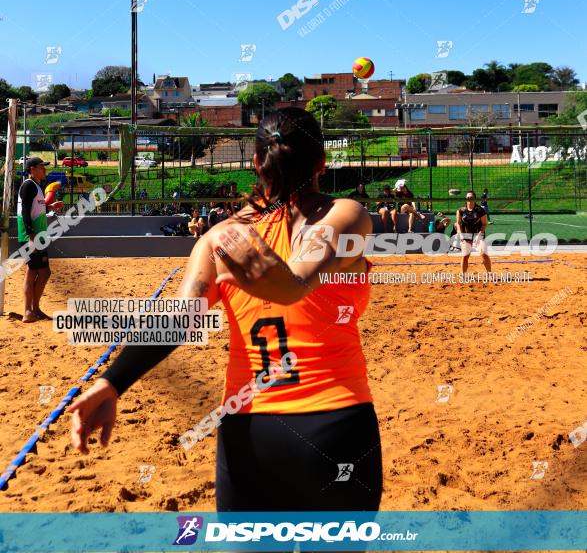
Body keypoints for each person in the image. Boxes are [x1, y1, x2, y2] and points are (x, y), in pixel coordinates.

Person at [68, 108, 382, 513]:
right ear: (322, 162)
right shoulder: (348, 215)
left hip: (250, 433)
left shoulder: (222, 236)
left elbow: (178, 320)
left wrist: (113, 381)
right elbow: (297, 281)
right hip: (336, 426)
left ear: (255, 164)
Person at [17, 157, 63, 323]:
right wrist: (31, 237)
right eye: (42, 167)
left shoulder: (36, 185)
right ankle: (28, 311)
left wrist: (50, 207)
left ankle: (34, 309)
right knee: (33, 272)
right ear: (33, 169)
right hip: (31, 236)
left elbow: (35, 207)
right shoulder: (28, 185)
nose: (45, 170)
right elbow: (25, 212)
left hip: (38, 235)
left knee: (43, 272)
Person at [455, 191, 491, 274]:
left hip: (477, 234)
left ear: (474, 199)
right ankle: (463, 276)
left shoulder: (480, 210)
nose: (469, 199)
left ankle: (489, 273)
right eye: (467, 198)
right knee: (465, 256)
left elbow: (484, 224)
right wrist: (460, 235)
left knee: (483, 254)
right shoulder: (461, 210)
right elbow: (458, 223)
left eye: (471, 198)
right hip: (466, 235)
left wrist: (479, 235)